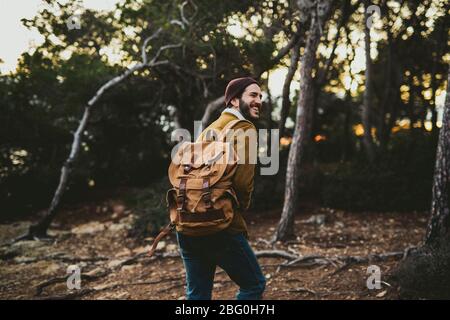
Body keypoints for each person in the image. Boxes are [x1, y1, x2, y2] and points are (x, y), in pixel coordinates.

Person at [176, 77, 267, 300]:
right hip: (219, 225)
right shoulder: (244, 129)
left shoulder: (209, 129)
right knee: (253, 285)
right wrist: (241, 208)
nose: (259, 101)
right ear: (235, 101)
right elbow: (243, 183)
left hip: (188, 221)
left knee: (197, 295)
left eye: (260, 96)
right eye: (253, 95)